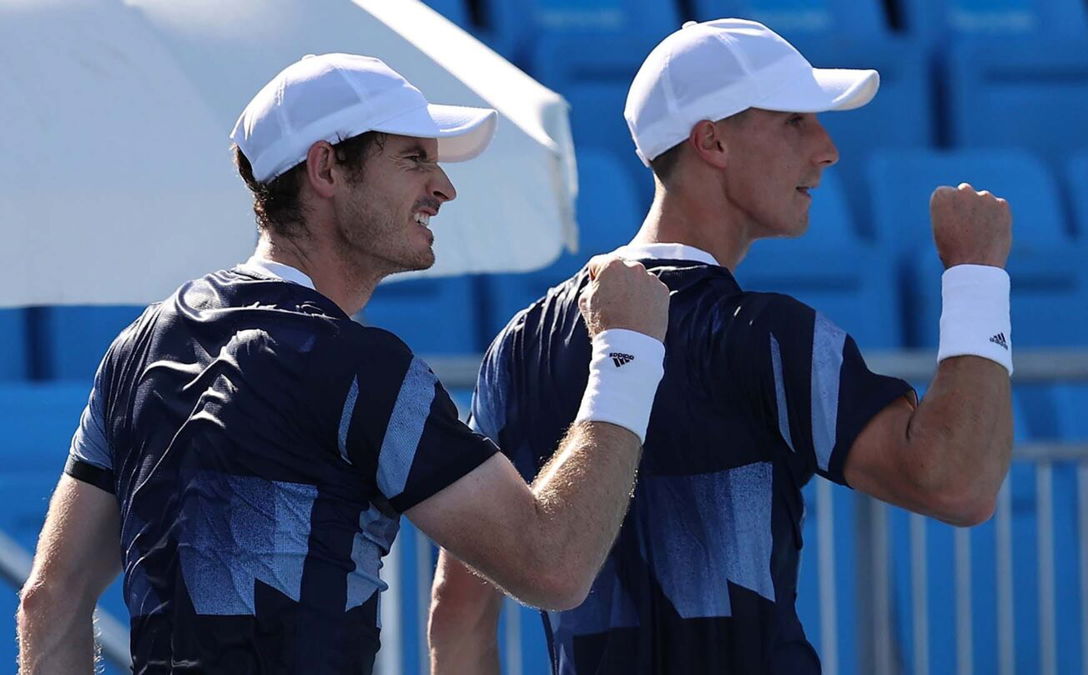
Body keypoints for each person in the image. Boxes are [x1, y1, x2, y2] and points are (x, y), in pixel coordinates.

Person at [16, 53, 671, 674]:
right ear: (326, 169)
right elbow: (551, 565)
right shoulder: (364, 368)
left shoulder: (136, 346)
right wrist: (629, 352)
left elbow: (50, 598)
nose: (442, 187)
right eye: (414, 158)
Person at [428, 18, 1014, 675]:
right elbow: (958, 483)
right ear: (712, 141)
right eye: (794, 122)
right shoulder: (769, 335)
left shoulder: (519, 344)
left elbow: (458, 608)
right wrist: (977, 277)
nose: (827, 149)